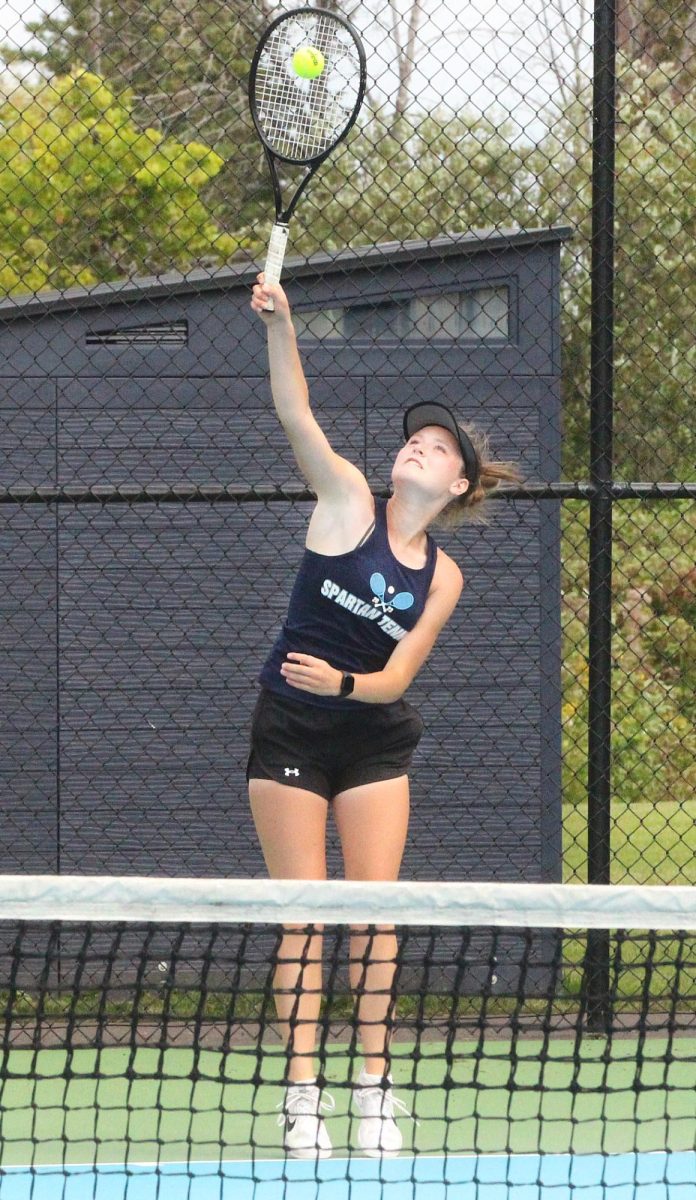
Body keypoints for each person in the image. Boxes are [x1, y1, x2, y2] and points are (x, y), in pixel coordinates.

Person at [247, 273, 520, 1160]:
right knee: (304, 916)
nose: (417, 448)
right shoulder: (346, 503)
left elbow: (398, 673)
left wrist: (345, 686)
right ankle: (301, 1101)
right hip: (288, 729)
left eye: (437, 447)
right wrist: (281, 325)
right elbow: (297, 414)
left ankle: (373, 1093)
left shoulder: (443, 577)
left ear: (457, 484)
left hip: (370, 735)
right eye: (414, 439)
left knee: (377, 915)